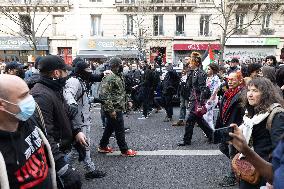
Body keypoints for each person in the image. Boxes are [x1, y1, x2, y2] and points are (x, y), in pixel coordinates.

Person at [30, 55, 83, 189]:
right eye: (65, 72)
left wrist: (75, 133)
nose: (67, 76)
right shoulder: (41, 95)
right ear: (57, 73)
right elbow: (44, 135)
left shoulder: (54, 88)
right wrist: (62, 167)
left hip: (61, 151)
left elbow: (62, 116)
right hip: (53, 158)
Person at [0, 74, 57, 188]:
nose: (30, 99)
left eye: (29, 93)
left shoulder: (28, 119)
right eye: (24, 96)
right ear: (2, 104)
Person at [229, 77, 284, 189]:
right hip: (248, 168)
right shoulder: (250, 113)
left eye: (255, 91)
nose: (250, 94)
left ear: (265, 94)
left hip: (264, 172)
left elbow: (279, 151)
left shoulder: (277, 115)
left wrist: (275, 179)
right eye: (249, 90)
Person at [63, 60, 106, 179]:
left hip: (83, 120)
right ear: (80, 71)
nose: (89, 73)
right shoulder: (74, 81)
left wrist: (96, 100)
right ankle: (62, 170)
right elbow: (68, 94)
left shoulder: (80, 80)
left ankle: (90, 169)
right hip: (79, 122)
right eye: (87, 71)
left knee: (84, 147)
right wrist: (71, 103)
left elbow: (82, 99)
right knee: (78, 149)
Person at [98, 57, 137, 157]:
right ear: (115, 66)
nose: (122, 67)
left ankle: (102, 146)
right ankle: (124, 150)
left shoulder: (119, 76)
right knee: (119, 130)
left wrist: (128, 101)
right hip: (114, 109)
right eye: (120, 65)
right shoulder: (110, 77)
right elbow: (104, 95)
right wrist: (111, 110)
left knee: (109, 128)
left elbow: (122, 91)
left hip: (117, 107)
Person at [215, 70, 245, 187]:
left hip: (234, 128)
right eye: (228, 79)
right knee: (222, 147)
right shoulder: (228, 93)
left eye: (233, 79)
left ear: (239, 80)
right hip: (225, 126)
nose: (230, 81)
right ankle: (240, 164)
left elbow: (244, 114)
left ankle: (233, 176)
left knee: (233, 151)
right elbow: (222, 110)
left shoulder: (242, 94)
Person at [178, 52, 213, 146]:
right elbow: (189, 86)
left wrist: (201, 104)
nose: (189, 63)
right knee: (199, 120)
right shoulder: (193, 72)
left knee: (190, 119)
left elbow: (203, 89)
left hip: (197, 100)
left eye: (191, 61)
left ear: (196, 62)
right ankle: (212, 136)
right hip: (193, 99)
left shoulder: (201, 73)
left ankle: (186, 140)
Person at [203, 63, 221, 130]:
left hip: (212, 98)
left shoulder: (215, 78)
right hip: (207, 97)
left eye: (209, 69)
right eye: (207, 69)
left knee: (206, 115)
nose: (207, 70)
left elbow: (216, 90)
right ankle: (210, 131)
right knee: (208, 115)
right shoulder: (208, 77)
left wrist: (211, 99)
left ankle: (210, 131)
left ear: (213, 70)